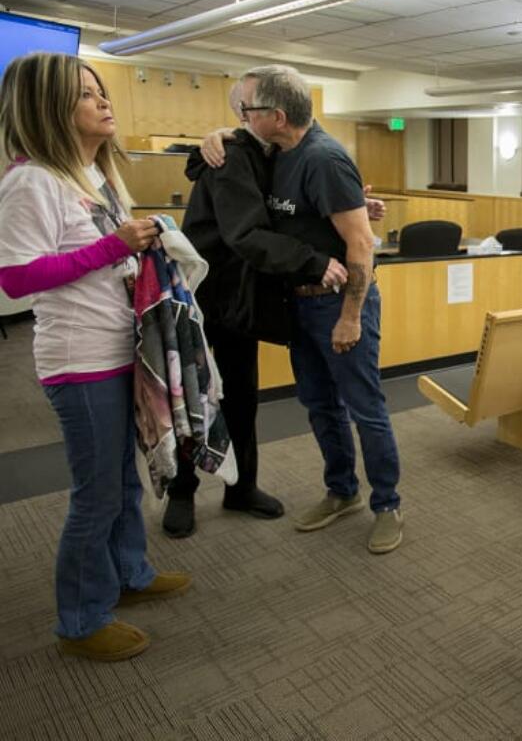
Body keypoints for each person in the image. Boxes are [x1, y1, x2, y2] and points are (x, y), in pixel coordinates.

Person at [0, 52, 191, 661]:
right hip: (78, 361)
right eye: (87, 94)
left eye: (101, 90)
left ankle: (129, 572)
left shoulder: (96, 175)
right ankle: (80, 621)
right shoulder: (31, 180)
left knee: (123, 483)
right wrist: (113, 246)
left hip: (122, 349)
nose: (104, 102)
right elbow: (15, 279)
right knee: (97, 493)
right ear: (50, 108)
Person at [210, 65, 403, 555]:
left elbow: (361, 246)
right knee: (320, 406)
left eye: (246, 110)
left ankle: (388, 505)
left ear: (277, 115)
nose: (240, 117)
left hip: (338, 304)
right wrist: (214, 137)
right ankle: (343, 491)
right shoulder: (278, 150)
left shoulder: (324, 159)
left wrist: (351, 316)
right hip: (298, 304)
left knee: (366, 409)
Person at [161, 82, 351, 538]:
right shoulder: (231, 156)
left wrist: (353, 208)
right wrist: (315, 261)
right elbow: (245, 234)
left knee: (242, 396)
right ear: (250, 115)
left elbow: (287, 213)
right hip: (206, 295)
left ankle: (241, 487)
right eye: (246, 110)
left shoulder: (276, 154)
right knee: (195, 396)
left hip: (244, 297)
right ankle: (182, 491)